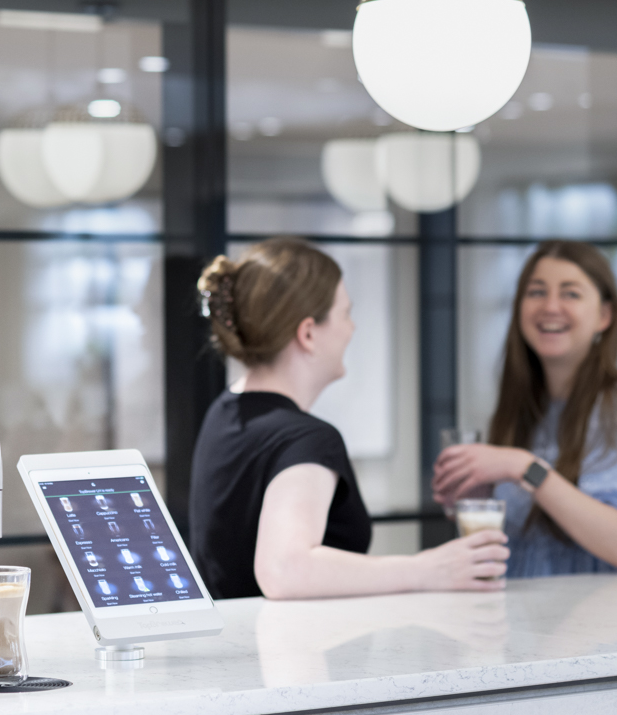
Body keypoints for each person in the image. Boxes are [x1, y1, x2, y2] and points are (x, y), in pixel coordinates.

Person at [189, 238, 509, 600]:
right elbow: (285, 570)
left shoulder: (224, 410)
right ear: (308, 334)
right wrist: (429, 569)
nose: (352, 328)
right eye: (345, 313)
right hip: (285, 654)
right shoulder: (307, 439)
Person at [432, 240, 617, 577]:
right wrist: (479, 493)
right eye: (536, 292)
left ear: (604, 315)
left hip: (610, 624)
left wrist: (524, 467)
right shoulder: (521, 408)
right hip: (527, 622)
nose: (550, 306)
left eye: (571, 294)